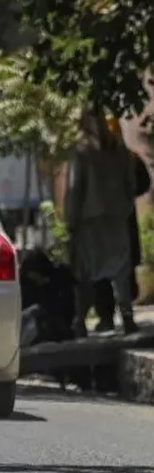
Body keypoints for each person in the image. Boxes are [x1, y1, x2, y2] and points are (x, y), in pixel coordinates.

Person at [64, 112, 139, 336]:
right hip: (117, 217)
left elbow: (75, 188)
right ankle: (127, 317)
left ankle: (79, 322)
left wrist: (71, 219)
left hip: (90, 221)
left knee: (85, 272)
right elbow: (131, 182)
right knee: (121, 270)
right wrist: (125, 206)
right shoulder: (119, 148)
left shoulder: (81, 151)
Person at [93, 145, 151, 331]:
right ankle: (124, 317)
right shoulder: (127, 157)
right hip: (118, 223)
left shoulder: (93, 159)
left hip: (104, 224)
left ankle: (111, 317)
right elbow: (143, 184)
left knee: (106, 274)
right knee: (120, 273)